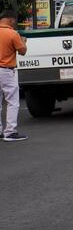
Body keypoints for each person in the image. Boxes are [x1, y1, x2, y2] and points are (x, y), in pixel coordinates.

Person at [0, 10, 28, 140]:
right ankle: (10, 132)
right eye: (14, 21)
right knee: (12, 102)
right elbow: (22, 51)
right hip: (6, 70)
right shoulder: (12, 34)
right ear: (10, 19)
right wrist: (23, 41)